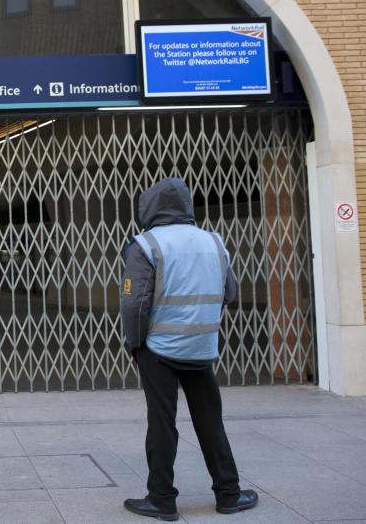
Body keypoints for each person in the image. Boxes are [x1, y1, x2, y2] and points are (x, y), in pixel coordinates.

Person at [120, 178, 258, 521]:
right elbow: (229, 292)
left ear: (149, 208)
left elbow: (135, 303)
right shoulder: (214, 242)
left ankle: (161, 499)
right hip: (201, 347)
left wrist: (135, 343)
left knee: (162, 422)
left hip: (160, 348)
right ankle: (229, 494)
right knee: (211, 420)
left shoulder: (145, 245)